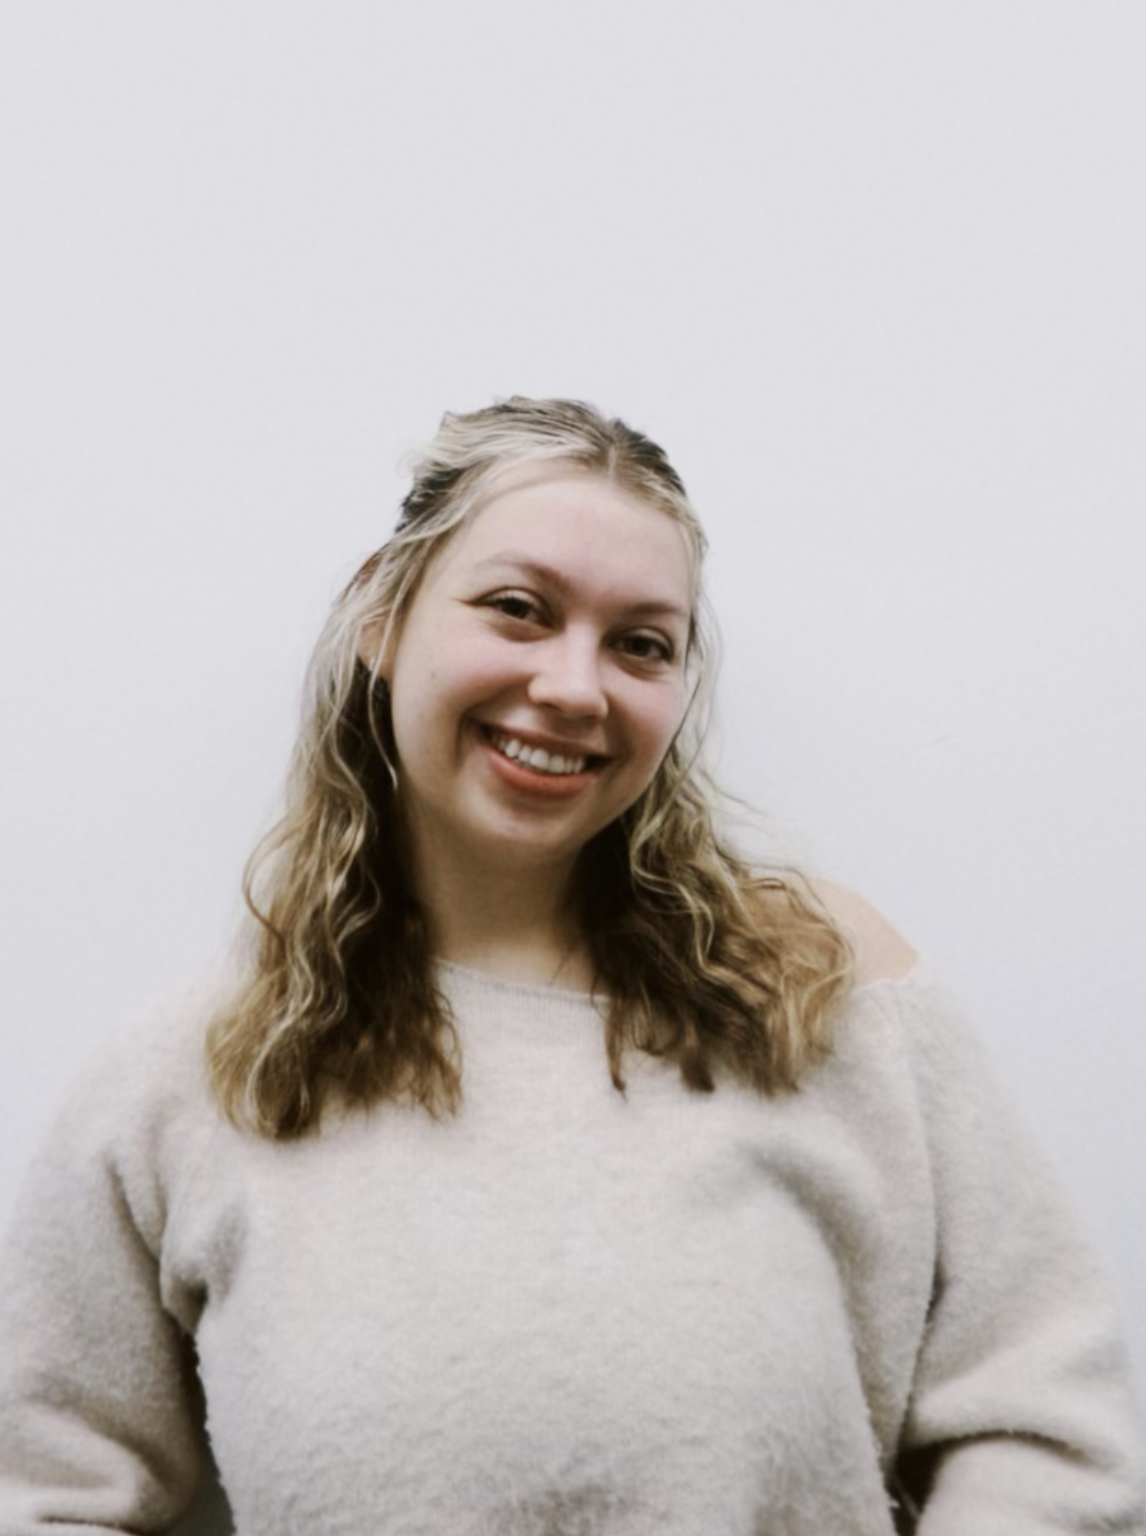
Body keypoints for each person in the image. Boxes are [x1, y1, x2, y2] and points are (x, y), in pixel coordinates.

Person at [0, 397, 1142, 1535]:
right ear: (381, 615)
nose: (574, 687)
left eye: (641, 643)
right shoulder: (192, 1076)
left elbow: (1050, 1433)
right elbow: (39, 1488)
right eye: (518, 609)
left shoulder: (826, 994)